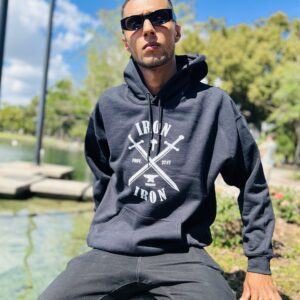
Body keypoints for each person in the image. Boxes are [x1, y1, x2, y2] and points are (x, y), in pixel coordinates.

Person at [39, 0, 282, 299]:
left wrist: (258, 265)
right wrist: (111, 226)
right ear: (125, 41)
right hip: (111, 251)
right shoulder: (109, 105)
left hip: (183, 254)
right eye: (134, 23)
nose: (148, 29)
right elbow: (102, 176)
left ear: (176, 31)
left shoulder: (214, 105)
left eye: (160, 18)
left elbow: (251, 182)